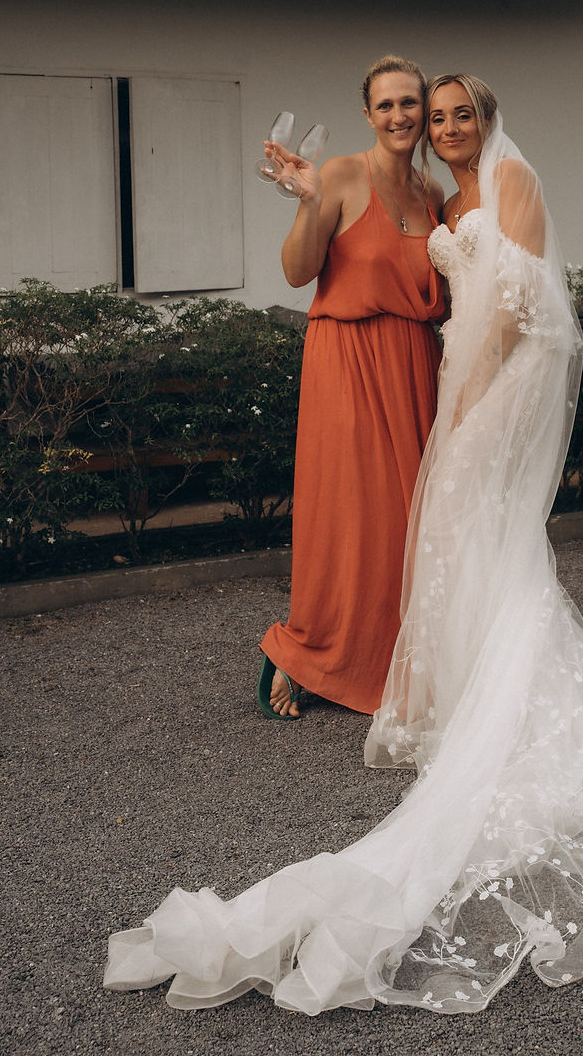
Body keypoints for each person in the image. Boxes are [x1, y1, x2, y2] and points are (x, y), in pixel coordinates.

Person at [105, 76, 583, 1012]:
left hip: (462, 375)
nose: (428, 123)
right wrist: (311, 198)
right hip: (401, 367)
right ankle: (355, 657)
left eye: (443, 112)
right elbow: (310, 266)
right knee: (394, 529)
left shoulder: (476, 187)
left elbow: (516, 299)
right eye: (414, 111)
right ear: (378, 115)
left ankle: (471, 681)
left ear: (481, 119)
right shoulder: (396, 183)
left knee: (453, 532)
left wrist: (471, 395)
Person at [256, 55, 444, 719]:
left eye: (409, 103)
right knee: (348, 513)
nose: (398, 115)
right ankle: (300, 652)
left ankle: (387, 659)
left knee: (407, 520)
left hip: (415, 363)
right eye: (385, 105)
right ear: (368, 114)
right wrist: (309, 203)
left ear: (424, 111)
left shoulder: (432, 193)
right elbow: (296, 271)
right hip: (347, 358)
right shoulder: (339, 174)